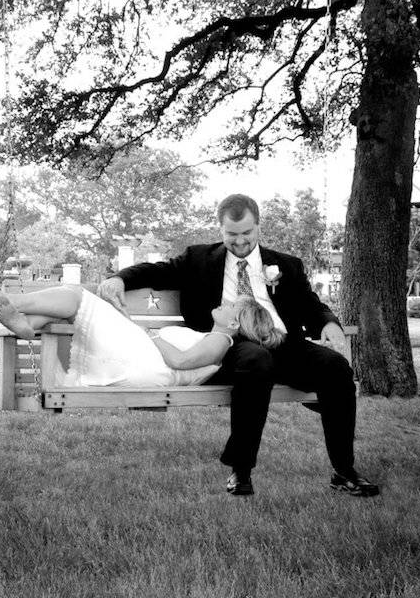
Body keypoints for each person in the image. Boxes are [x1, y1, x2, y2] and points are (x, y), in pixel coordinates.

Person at [97, 194, 379, 497]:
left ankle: (344, 471)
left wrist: (328, 323)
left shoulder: (286, 265)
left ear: (258, 227)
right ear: (220, 229)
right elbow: (156, 272)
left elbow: (311, 305)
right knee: (256, 360)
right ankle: (241, 470)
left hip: (282, 342)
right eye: (232, 234)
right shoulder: (198, 259)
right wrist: (119, 278)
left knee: (335, 367)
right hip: (231, 346)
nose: (240, 241)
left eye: (247, 233)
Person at [0, 277, 281, 387]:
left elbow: (182, 363)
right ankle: (26, 324)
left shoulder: (219, 342)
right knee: (78, 304)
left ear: (235, 324)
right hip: (143, 356)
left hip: (145, 363)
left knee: (77, 298)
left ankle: (9, 301)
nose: (223, 305)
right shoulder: (214, 338)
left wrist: (152, 335)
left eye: (230, 308)